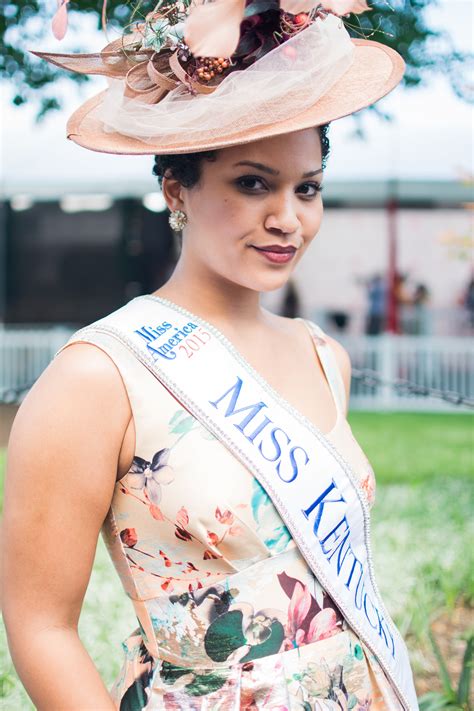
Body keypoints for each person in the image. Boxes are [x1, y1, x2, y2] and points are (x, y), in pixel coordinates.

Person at [2, 3, 418, 710]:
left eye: (306, 187)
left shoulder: (324, 356)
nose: (288, 217)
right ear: (176, 190)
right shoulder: (100, 375)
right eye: (253, 182)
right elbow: (40, 625)